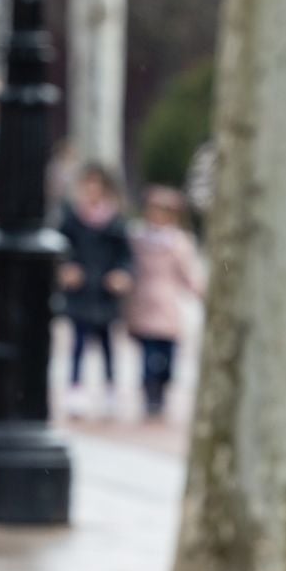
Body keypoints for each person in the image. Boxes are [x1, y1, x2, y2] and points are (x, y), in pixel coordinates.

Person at [56, 162, 135, 420]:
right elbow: (60, 249)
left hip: (104, 294)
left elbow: (126, 256)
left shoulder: (115, 222)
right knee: (77, 343)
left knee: (107, 345)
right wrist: (66, 269)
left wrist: (122, 275)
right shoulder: (71, 218)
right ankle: (75, 388)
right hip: (81, 294)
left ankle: (111, 388)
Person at [126, 185, 205, 419]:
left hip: (168, 305)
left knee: (167, 356)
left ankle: (162, 390)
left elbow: (188, 273)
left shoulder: (179, 243)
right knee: (148, 356)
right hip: (143, 302)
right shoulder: (137, 239)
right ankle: (151, 397)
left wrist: (201, 292)